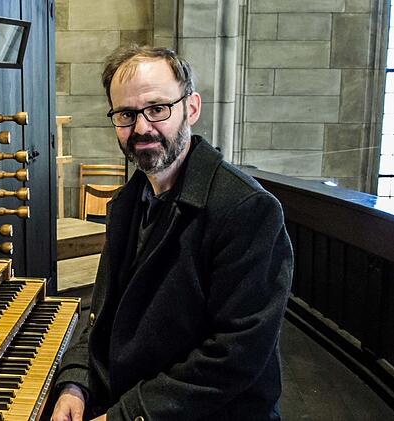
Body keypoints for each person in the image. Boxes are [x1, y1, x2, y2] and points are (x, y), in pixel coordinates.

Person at [50, 44, 294, 421]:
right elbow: (103, 314)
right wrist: (75, 382)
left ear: (191, 107)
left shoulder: (247, 209)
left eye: (157, 109)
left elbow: (234, 357)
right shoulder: (129, 202)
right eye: (126, 114)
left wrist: (126, 416)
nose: (142, 128)